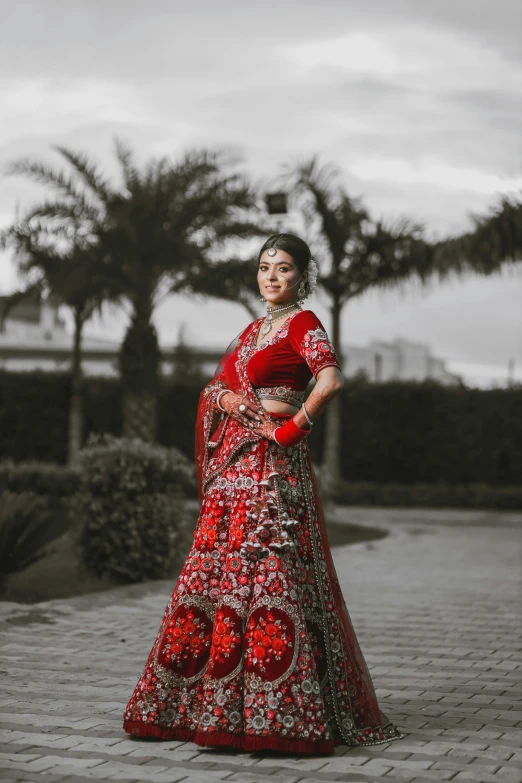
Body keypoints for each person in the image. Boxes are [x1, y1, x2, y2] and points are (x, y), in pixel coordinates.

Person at [123, 232, 403, 755]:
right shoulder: (251, 331)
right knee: (220, 576)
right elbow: (214, 387)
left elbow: (331, 380)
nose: (272, 277)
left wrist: (295, 426)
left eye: (284, 268)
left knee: (270, 574)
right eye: (265, 268)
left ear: (303, 276)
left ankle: (278, 712)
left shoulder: (303, 323)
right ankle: (214, 710)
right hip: (233, 474)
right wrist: (226, 396)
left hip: (273, 470)